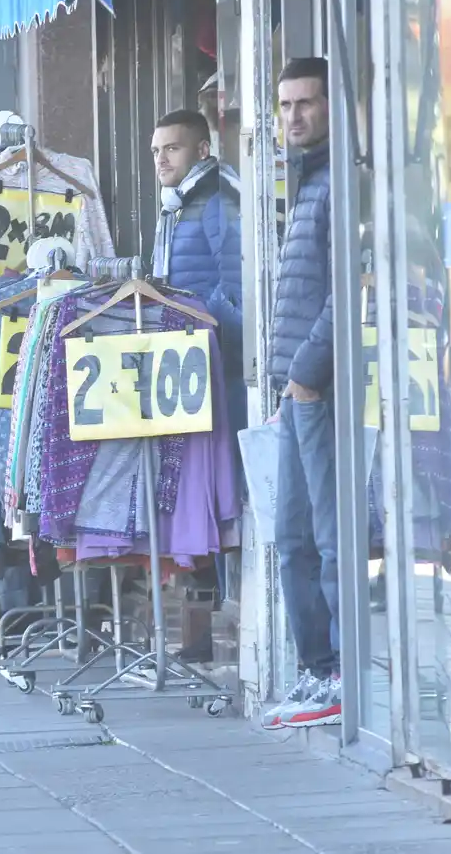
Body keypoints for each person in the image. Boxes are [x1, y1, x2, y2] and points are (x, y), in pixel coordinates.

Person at [261, 57, 340, 730]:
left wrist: (308, 372)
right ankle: (316, 670)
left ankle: (337, 671)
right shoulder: (307, 179)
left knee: (325, 535)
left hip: (319, 389)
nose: (294, 116)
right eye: (285, 105)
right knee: (291, 536)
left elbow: (351, 290)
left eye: (306, 103)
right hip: (297, 391)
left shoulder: (338, 180)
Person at [148, 108, 246, 437]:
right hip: (196, 356)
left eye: (172, 149)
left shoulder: (214, 200)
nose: (161, 159)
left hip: (222, 360)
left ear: (203, 150)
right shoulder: (179, 204)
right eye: (156, 151)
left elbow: (239, 285)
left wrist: (200, 320)